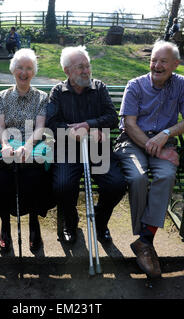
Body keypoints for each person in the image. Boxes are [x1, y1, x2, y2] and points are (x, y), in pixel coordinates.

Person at [113, 40, 184, 278]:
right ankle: (146, 243)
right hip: (132, 142)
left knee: (166, 175)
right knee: (138, 177)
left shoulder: (183, 85)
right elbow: (129, 124)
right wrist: (151, 145)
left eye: (163, 61)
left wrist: (165, 134)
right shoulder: (136, 85)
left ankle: (144, 241)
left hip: (163, 142)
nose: (156, 65)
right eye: (153, 60)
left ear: (175, 64)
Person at [46, 46, 127, 245]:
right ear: (67, 71)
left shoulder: (99, 88)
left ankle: (101, 220)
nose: (86, 71)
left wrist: (91, 126)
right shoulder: (58, 92)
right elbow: (51, 123)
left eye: (87, 66)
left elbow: (112, 118)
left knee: (117, 184)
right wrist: (72, 131)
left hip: (98, 149)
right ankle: (71, 222)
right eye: (80, 67)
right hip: (68, 150)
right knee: (62, 186)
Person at [0, 48, 53, 254]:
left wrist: (27, 146)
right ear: (13, 70)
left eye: (28, 68)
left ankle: (34, 223)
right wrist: (6, 145)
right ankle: (5, 226)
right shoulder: (2, 97)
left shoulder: (41, 97)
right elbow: (0, 126)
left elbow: (39, 127)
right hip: (8, 142)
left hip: (33, 143)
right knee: (2, 169)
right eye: (20, 67)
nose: (24, 72)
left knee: (34, 169)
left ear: (33, 72)